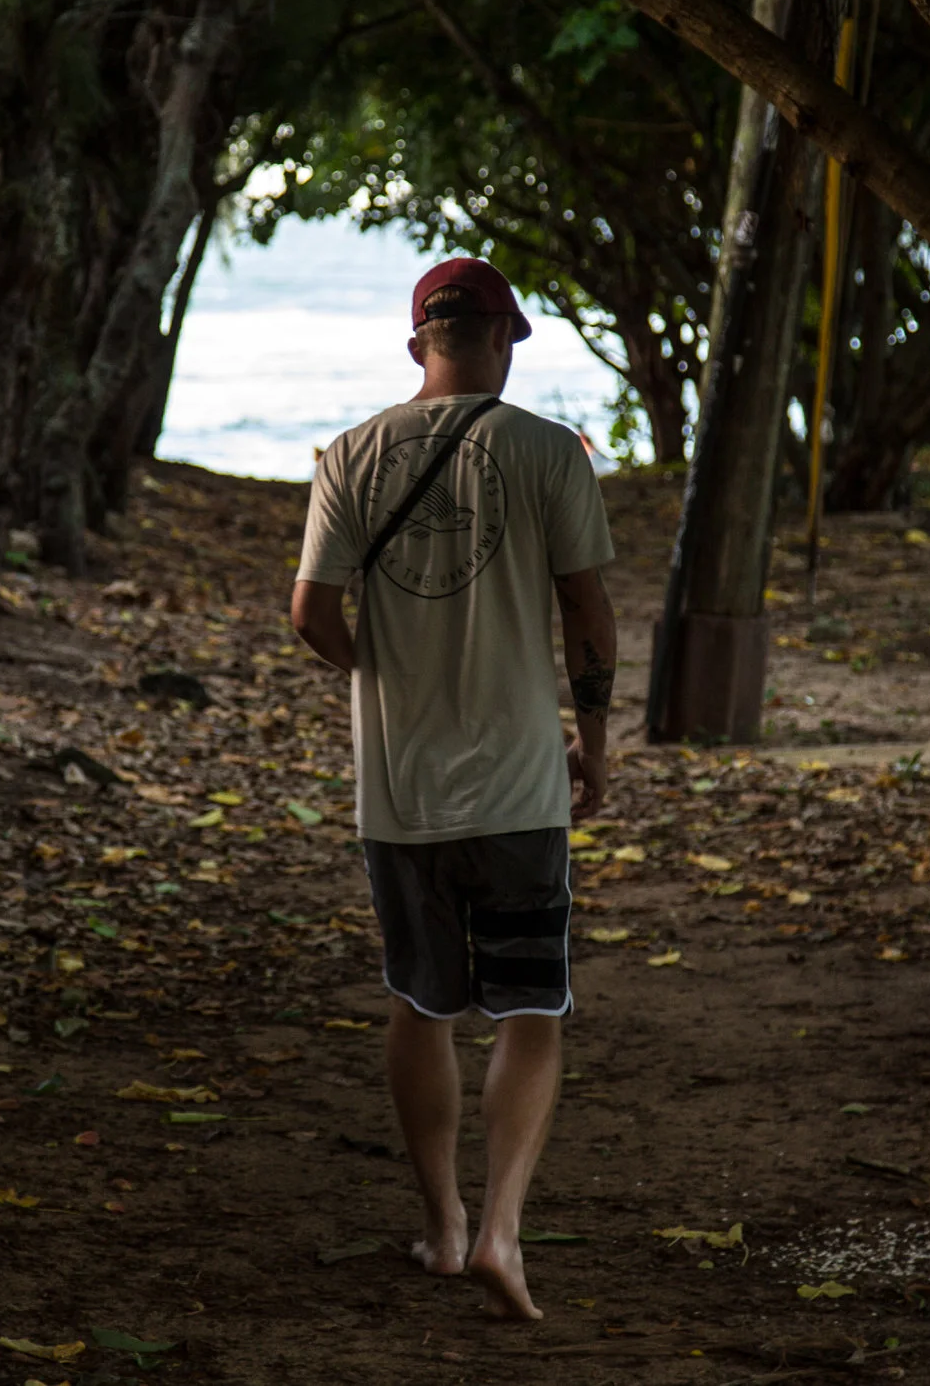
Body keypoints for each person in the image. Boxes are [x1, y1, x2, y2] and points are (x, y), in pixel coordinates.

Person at [291, 256, 618, 1322]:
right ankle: (500, 1230)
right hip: (523, 784)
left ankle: (438, 1223)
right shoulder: (549, 452)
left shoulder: (350, 452)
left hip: (401, 786)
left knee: (421, 998)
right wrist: (594, 738)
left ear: (415, 345)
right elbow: (589, 613)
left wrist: (380, 674)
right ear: (509, 337)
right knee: (530, 1008)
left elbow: (309, 612)